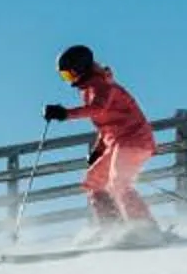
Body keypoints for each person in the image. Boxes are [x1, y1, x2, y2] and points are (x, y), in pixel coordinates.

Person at [44, 44, 165, 247]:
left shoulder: (102, 86)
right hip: (118, 142)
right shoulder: (88, 89)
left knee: (119, 183)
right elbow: (105, 124)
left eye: (69, 74)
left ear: (80, 68)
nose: (69, 80)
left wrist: (65, 114)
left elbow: (98, 109)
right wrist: (98, 150)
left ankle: (146, 229)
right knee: (94, 181)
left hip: (134, 139)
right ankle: (113, 228)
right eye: (64, 76)